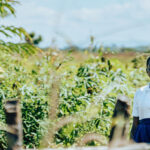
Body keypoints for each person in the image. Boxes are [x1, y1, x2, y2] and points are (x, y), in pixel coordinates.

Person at [131, 56, 150, 143]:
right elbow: (135, 121)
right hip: (143, 134)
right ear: (147, 71)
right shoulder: (140, 92)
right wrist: (130, 141)